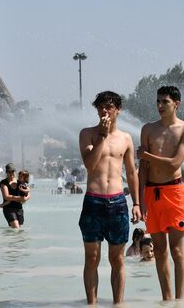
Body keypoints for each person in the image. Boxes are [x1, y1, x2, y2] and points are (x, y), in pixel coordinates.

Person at [78, 91, 142, 305]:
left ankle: (118, 304)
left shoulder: (125, 138)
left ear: (118, 110)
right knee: (92, 258)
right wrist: (102, 136)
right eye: (100, 107)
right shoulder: (87, 134)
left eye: (108, 107)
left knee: (117, 259)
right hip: (93, 201)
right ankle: (92, 304)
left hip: (117, 203)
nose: (103, 111)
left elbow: (132, 173)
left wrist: (137, 203)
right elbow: (90, 165)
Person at [137, 86, 184, 301]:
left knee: (177, 251)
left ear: (176, 104)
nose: (160, 106)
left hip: (174, 192)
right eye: (158, 102)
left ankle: (180, 301)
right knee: (160, 251)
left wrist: (146, 155)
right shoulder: (147, 129)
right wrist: (139, 200)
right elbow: (142, 168)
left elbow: (174, 164)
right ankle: (167, 300)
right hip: (152, 193)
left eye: (165, 102)